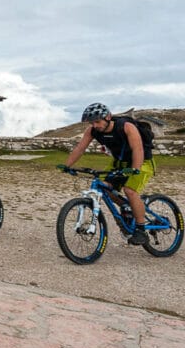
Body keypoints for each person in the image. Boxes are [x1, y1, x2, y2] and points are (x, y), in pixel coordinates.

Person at [60, 103, 154, 245]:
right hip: (119, 162)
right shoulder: (93, 131)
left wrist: (135, 169)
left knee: (130, 191)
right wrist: (67, 166)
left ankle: (141, 230)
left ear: (108, 117)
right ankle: (127, 207)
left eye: (97, 121)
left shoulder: (126, 126)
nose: (95, 125)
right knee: (104, 187)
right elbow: (80, 148)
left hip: (142, 162)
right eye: (92, 122)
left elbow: (138, 149)